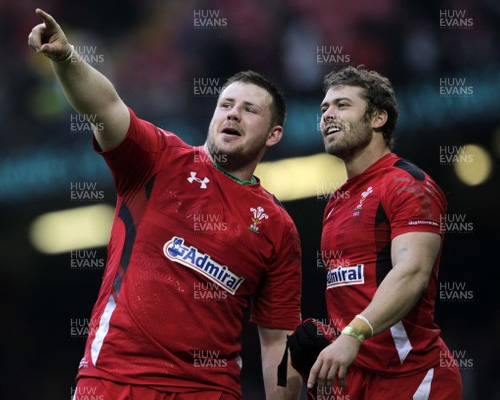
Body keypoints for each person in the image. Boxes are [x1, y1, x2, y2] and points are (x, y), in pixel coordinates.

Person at [28, 9, 303, 400]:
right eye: (226, 105)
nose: (233, 114)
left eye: (250, 109)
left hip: (208, 391)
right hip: (115, 380)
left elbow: (279, 342)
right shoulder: (159, 159)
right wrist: (66, 58)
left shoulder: (277, 227)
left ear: (273, 135)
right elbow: (105, 108)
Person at [307, 65, 463, 399]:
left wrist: (352, 334)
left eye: (342, 105)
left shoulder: (407, 184)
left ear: (378, 118)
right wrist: (333, 337)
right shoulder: (336, 201)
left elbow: (412, 272)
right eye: (324, 109)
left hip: (412, 375)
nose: (328, 116)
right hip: (358, 380)